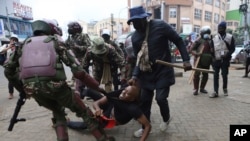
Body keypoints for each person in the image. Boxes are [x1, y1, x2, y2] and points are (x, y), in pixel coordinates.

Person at [3, 19, 114, 141]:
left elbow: (8, 69)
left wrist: (22, 89)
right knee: (83, 111)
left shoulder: (24, 43)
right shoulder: (56, 42)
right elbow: (79, 72)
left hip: (33, 90)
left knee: (58, 112)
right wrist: (98, 88)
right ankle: (103, 138)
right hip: (57, 88)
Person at [126, 6, 192, 137]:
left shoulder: (160, 26)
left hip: (163, 71)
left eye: (138, 21)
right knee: (145, 101)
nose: (136, 25)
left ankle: (166, 118)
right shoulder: (135, 38)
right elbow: (139, 59)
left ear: (145, 19)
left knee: (161, 98)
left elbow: (178, 40)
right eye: (133, 22)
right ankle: (145, 127)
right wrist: (134, 75)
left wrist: (186, 60)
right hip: (146, 73)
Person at [67, 84, 151, 141]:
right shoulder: (120, 93)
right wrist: (98, 109)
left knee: (89, 124)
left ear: (132, 99)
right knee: (89, 91)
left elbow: (148, 126)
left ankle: (67, 122)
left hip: (109, 119)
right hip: (111, 107)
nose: (123, 93)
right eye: (124, 90)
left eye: (127, 94)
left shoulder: (133, 108)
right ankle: (78, 93)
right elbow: (97, 103)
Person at [209, 21, 235, 98]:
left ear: (224, 28)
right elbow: (212, 49)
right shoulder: (214, 38)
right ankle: (215, 91)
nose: (219, 29)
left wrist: (228, 54)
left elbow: (233, 49)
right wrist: (212, 57)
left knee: (224, 75)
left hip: (225, 60)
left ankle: (225, 88)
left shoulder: (230, 37)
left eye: (221, 28)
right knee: (215, 76)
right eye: (218, 28)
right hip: (216, 60)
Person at [65, 21, 92, 95]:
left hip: (83, 60)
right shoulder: (70, 38)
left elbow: (89, 47)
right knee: (78, 77)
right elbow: (65, 46)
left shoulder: (83, 36)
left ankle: (88, 92)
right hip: (74, 60)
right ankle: (80, 92)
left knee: (85, 77)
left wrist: (78, 47)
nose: (69, 29)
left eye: (70, 28)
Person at [190, 26, 213, 95]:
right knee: (196, 75)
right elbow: (191, 49)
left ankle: (202, 88)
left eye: (208, 33)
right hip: (198, 60)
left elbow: (212, 50)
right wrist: (197, 53)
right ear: (202, 33)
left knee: (205, 75)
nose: (206, 34)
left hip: (207, 61)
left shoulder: (210, 41)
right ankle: (195, 89)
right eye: (205, 33)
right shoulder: (198, 40)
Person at [0, 35, 19, 99]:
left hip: (18, 65)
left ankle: (24, 91)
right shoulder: (6, 46)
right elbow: (1, 52)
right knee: (10, 80)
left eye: (14, 41)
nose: (12, 43)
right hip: (9, 65)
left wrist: (17, 48)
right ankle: (11, 93)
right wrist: (9, 48)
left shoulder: (18, 47)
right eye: (11, 41)